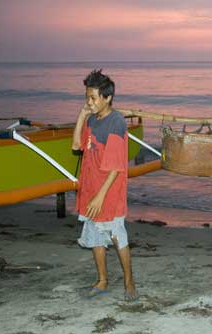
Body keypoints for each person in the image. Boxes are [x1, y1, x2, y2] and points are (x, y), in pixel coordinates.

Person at [72, 69, 139, 302]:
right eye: (86, 97)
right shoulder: (91, 119)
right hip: (91, 187)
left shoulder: (116, 122)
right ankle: (102, 280)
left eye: (93, 98)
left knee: (116, 235)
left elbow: (116, 167)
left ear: (107, 97)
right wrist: (81, 116)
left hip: (109, 191)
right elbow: (76, 145)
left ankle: (129, 283)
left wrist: (100, 196)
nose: (89, 102)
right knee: (94, 236)